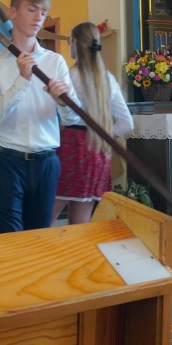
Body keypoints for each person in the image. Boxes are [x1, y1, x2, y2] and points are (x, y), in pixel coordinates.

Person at [0, 0, 80, 234]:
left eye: (43, 13)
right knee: (10, 240)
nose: (38, 18)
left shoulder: (55, 62)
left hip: (46, 162)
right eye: (32, 9)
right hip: (6, 162)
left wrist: (63, 102)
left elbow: (72, 117)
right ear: (13, 12)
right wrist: (22, 80)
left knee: (39, 238)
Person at [50, 22, 134, 225]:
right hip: (97, 152)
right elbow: (126, 124)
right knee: (80, 224)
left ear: (74, 42)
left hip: (70, 148)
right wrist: (100, 136)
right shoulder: (108, 79)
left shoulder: (68, 76)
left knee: (44, 219)